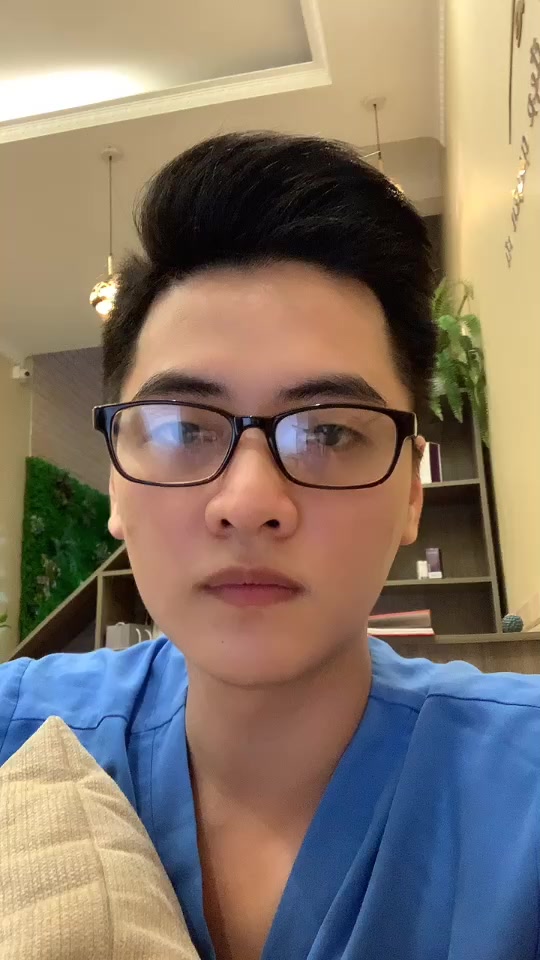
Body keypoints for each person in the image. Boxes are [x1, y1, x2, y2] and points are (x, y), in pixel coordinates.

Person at [1, 132, 539, 960]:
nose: (249, 503)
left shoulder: (521, 791)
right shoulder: (20, 731)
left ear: (412, 491)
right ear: (116, 485)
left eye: (329, 430)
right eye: (183, 429)